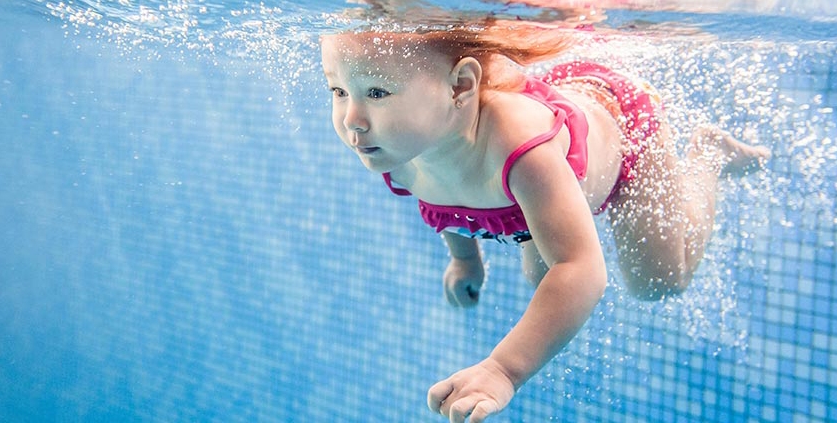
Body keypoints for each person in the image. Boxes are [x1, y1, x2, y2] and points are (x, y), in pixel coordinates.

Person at [320, 18, 769, 423]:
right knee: (541, 278)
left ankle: (709, 155)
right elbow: (448, 206)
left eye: (376, 93)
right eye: (338, 91)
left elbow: (581, 270)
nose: (351, 120)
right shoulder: (398, 152)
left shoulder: (522, 151)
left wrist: (503, 370)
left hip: (621, 125)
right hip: (542, 158)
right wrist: (466, 261)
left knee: (657, 280)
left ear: (459, 87)